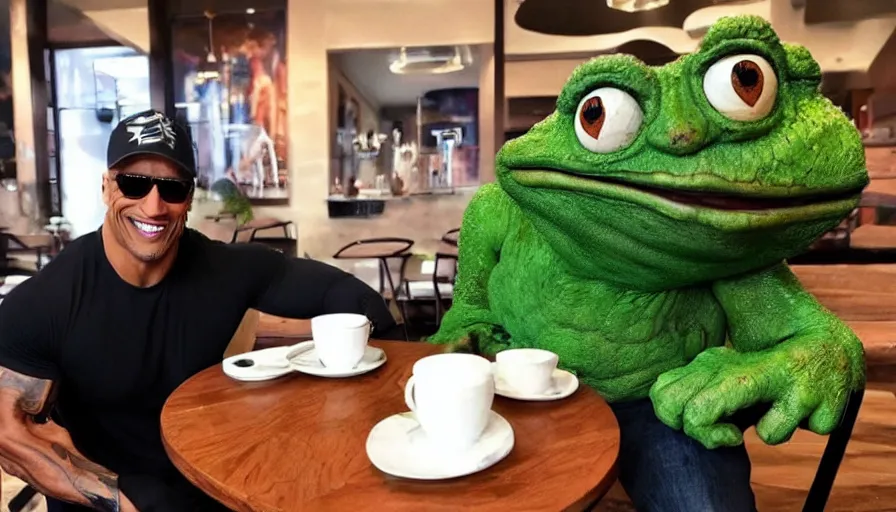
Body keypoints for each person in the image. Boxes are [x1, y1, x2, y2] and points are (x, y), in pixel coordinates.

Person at [0, 109, 398, 511]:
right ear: (107, 187)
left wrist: (387, 355)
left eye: (172, 189)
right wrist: (122, 498)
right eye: (134, 184)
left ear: (189, 197)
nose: (153, 207)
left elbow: (344, 293)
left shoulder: (222, 270)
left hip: (208, 486)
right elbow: (10, 435)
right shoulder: (48, 300)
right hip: (107, 503)